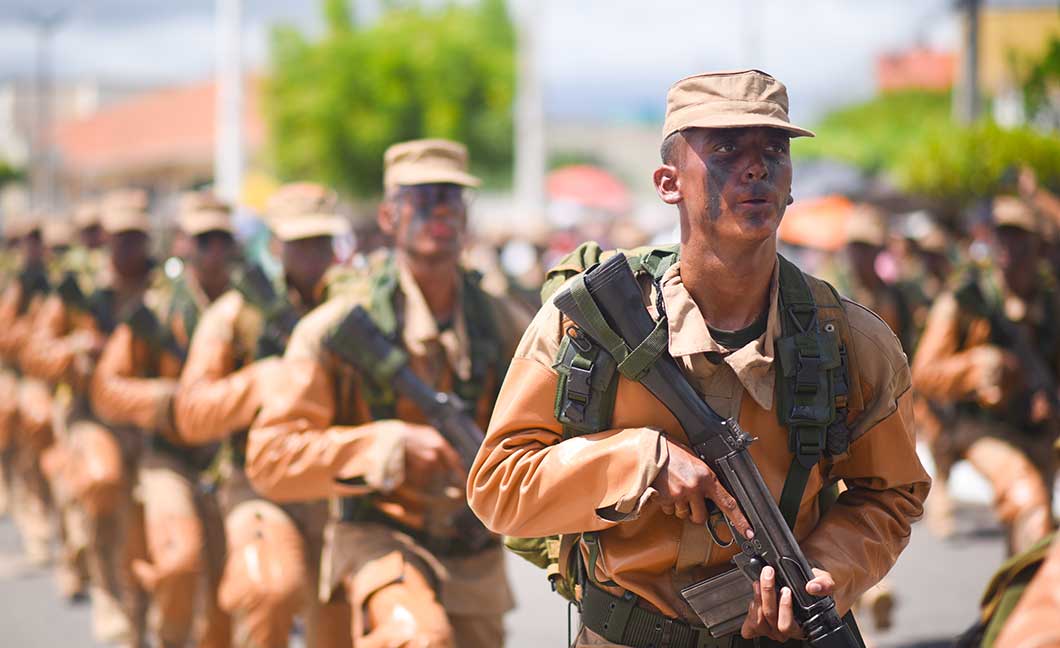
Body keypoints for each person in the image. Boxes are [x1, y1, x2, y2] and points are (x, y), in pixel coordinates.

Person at [468, 70, 930, 647]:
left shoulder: (850, 340)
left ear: (790, 185)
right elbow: (498, 486)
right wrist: (639, 460)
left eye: (774, 151)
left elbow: (892, 492)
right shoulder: (591, 323)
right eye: (726, 149)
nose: (756, 166)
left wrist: (820, 576)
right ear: (669, 182)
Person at [246, 139, 531, 648]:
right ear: (388, 215)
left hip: (473, 557)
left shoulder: (501, 321)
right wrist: (387, 446)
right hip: (378, 536)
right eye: (420, 197)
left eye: (450, 196)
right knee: (418, 638)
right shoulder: (334, 329)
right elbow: (270, 457)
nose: (438, 209)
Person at [172, 182, 353, 648]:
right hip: (258, 485)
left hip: (336, 488)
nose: (313, 255)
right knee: (269, 588)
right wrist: (262, 380)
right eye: (300, 243)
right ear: (275, 246)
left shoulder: (354, 312)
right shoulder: (235, 315)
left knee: (340, 623)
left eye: (321, 242)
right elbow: (191, 413)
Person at [89, 191, 238, 648]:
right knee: (178, 562)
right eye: (203, 239)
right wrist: (166, 402)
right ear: (182, 244)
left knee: (224, 592)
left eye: (221, 239)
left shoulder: (249, 312)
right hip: (167, 457)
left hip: (229, 461)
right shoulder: (158, 310)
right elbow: (106, 388)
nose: (213, 250)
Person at [912, 195, 1059, 557]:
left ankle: (1016, 610)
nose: (1010, 248)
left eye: (1020, 238)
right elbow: (924, 373)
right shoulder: (967, 299)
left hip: (1039, 433)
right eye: (1003, 236)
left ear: (1039, 247)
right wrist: (979, 366)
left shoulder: (1051, 303)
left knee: (1035, 539)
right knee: (1027, 500)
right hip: (982, 428)